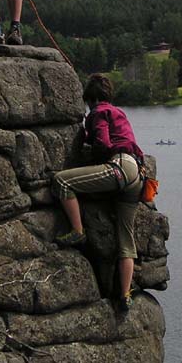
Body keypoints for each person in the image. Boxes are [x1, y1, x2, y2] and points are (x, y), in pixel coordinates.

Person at [52, 74, 145, 312]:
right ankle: (124, 295)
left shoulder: (98, 113)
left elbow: (103, 144)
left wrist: (88, 141)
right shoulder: (119, 113)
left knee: (62, 182)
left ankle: (77, 231)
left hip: (119, 168)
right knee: (126, 241)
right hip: (136, 176)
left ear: (91, 99)